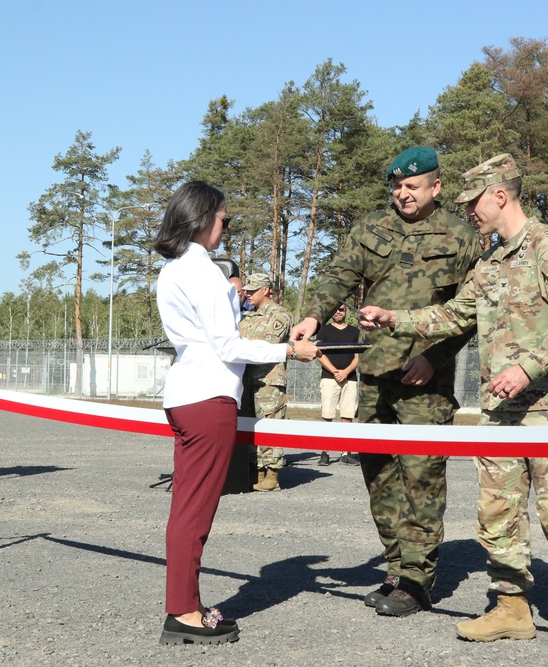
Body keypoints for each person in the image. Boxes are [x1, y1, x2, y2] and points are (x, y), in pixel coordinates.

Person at [359, 154, 548, 653]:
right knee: (497, 516)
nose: (470, 212)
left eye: (474, 201)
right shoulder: (488, 263)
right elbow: (453, 316)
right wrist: (393, 317)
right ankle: (511, 608)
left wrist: (526, 367)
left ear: (500, 195)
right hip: (499, 415)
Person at [290, 146, 482, 617]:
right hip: (374, 370)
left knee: (421, 476)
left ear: (435, 187)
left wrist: (435, 359)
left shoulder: (461, 237)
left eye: (412, 186)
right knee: (378, 476)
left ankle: (418, 581)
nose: (402, 194)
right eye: (396, 186)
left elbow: (472, 310)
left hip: (424, 381)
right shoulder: (371, 229)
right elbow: (340, 275)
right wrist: (312, 317)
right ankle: (396, 568)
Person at [154, 181, 319, 646]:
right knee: (195, 513)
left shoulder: (172, 269)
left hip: (186, 394)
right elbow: (227, 345)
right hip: (209, 398)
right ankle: (183, 612)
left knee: (186, 508)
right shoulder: (202, 271)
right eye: (224, 219)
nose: (225, 228)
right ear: (204, 217)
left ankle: (185, 603)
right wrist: (288, 349)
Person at [238, 272, 292, 491]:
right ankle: (256, 470)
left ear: (266, 290)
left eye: (252, 290)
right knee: (250, 426)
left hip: (269, 381)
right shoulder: (247, 316)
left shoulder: (280, 315)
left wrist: (244, 343)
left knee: (270, 427)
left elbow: (267, 344)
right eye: (247, 290)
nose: (247, 294)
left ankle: (272, 474)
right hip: (247, 379)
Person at [315, 304, 360, 466]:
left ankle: (345, 452)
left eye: (341, 309)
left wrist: (346, 372)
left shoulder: (355, 332)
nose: (338, 312)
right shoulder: (324, 331)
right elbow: (319, 354)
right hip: (329, 378)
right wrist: (335, 371)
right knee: (327, 415)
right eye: (335, 309)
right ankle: (324, 452)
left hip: (350, 379)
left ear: (346, 311)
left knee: (347, 416)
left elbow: (357, 357)